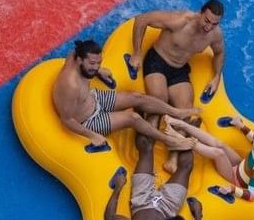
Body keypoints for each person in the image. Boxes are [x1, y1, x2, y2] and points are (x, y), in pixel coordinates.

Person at [53, 40, 196, 150]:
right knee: (132, 118)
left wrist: (99, 71)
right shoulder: (71, 85)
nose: (95, 67)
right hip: (88, 120)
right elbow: (67, 120)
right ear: (79, 60)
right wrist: (93, 135)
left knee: (137, 97)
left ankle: (176, 112)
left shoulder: (75, 54)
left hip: (93, 98)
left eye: (99, 62)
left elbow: (85, 57)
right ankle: (169, 141)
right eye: (92, 63)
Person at [104, 134, 203, 220]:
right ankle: (186, 135)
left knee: (146, 149)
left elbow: (109, 216)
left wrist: (118, 187)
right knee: (186, 167)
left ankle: (177, 132)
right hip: (168, 207)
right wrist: (198, 215)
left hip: (142, 200)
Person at [126, 0, 226, 114]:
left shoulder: (215, 35)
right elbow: (142, 19)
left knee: (187, 112)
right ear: (200, 13)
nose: (208, 27)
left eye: (214, 24)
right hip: (157, 61)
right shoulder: (180, 20)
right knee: (159, 104)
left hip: (179, 68)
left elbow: (219, 52)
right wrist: (137, 53)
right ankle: (139, 111)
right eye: (206, 21)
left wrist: (217, 76)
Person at [164, 116, 254, 202]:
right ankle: (182, 124)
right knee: (219, 144)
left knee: (219, 153)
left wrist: (232, 189)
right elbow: (252, 135)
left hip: (236, 179)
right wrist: (240, 125)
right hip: (241, 165)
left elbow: (251, 195)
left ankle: (180, 139)